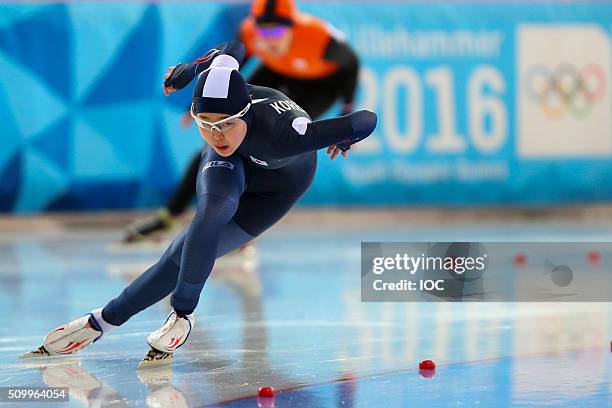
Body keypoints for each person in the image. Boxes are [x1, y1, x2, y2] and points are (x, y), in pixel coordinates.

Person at [22, 41, 376, 366]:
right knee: (204, 221)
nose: (216, 135)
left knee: (187, 253)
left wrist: (347, 137)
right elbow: (234, 48)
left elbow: (366, 119)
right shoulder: (220, 95)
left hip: (278, 189)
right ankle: (106, 321)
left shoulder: (290, 134)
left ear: (246, 114)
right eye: (205, 124)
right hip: (233, 164)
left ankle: (178, 314)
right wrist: (188, 71)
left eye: (225, 124)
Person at [124, 0, 360, 242]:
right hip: (277, 69)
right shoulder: (248, 32)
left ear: (293, 28)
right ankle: (170, 215)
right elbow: (233, 63)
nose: (268, 40)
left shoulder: (318, 39)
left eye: (277, 31)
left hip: (322, 83)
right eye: (262, 31)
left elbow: (351, 64)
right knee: (218, 146)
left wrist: (347, 109)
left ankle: (242, 225)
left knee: (268, 143)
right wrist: (208, 105)